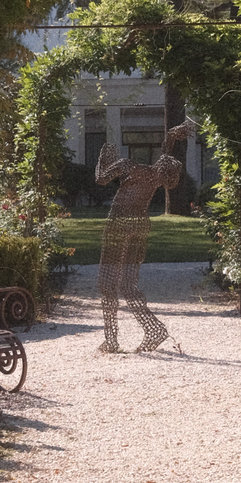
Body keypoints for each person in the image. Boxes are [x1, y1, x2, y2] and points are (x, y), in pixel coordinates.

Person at [94, 119, 195, 353]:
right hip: (139, 225)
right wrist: (171, 136)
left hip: (119, 223)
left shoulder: (128, 166)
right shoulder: (156, 177)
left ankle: (111, 340)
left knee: (107, 283)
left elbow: (100, 179)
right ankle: (153, 330)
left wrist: (103, 160)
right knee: (128, 285)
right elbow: (166, 151)